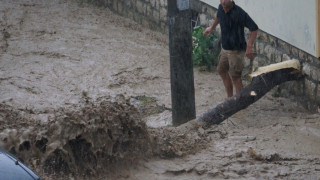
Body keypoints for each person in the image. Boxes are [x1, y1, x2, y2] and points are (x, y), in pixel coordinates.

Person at [203, 0, 258, 98]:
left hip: (236, 51)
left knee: (236, 78)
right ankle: (230, 99)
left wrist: (249, 47)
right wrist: (211, 27)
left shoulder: (239, 13)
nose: (223, 2)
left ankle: (240, 103)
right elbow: (219, 17)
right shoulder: (221, 8)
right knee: (222, 71)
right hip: (225, 48)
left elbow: (254, 28)